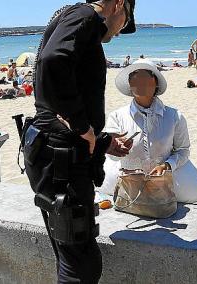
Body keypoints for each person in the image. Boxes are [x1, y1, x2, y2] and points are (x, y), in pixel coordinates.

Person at [24, 1, 137, 283]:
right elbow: (53, 60)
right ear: (119, 5)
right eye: (126, 20)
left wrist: (101, 141)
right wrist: (82, 125)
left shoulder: (73, 17)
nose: (121, 30)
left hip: (56, 154)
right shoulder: (86, 15)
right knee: (81, 264)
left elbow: (59, 96)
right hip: (61, 161)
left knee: (71, 254)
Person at [99, 59, 197, 203]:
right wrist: (117, 148)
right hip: (129, 187)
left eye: (144, 75)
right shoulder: (117, 116)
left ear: (155, 82)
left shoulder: (174, 116)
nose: (139, 80)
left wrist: (167, 165)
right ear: (129, 84)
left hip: (164, 187)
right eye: (134, 76)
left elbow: (183, 151)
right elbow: (112, 157)